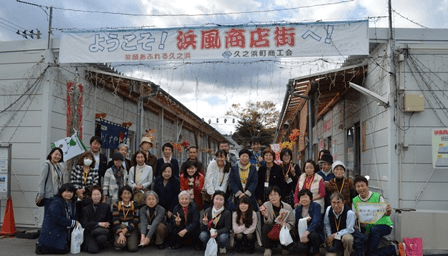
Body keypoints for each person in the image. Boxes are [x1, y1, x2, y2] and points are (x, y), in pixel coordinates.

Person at [352, 176, 397, 256]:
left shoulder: (377, 196)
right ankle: (391, 249)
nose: (361, 188)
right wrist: (357, 216)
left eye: (362, 185)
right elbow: (355, 218)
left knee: (374, 230)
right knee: (369, 253)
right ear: (355, 188)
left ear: (367, 186)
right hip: (369, 228)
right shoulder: (355, 200)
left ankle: (392, 249)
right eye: (358, 186)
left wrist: (389, 211)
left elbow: (387, 213)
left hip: (384, 226)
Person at [36, 183, 78, 254]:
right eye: (66, 192)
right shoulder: (56, 202)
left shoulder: (71, 202)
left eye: (71, 192)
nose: (69, 194)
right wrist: (73, 222)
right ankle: (42, 246)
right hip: (53, 230)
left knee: (68, 248)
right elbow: (57, 219)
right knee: (64, 250)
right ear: (61, 192)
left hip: (62, 230)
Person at [260, 186, 295, 256]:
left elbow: (292, 222)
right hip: (272, 227)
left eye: (275, 195)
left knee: (290, 232)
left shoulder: (288, 207)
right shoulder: (266, 205)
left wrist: (285, 225)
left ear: (280, 196)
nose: (273, 197)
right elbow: (267, 222)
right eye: (271, 195)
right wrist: (266, 216)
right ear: (268, 197)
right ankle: (267, 248)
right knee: (265, 227)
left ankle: (285, 248)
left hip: (283, 228)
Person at [81, 185, 112, 254]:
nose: (96, 196)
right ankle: (91, 244)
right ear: (91, 196)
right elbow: (85, 224)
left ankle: (98, 244)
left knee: (102, 238)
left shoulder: (106, 207)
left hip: (101, 231)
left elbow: (109, 221)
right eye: (94, 194)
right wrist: (99, 224)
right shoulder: (85, 209)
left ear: (101, 195)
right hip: (90, 232)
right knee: (93, 250)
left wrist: (107, 224)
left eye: (98, 194)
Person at [324, 192, 356, 256]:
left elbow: (350, 229)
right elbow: (326, 224)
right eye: (333, 202)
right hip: (333, 233)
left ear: (343, 202)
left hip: (345, 234)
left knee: (348, 239)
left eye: (338, 202)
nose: (336, 205)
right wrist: (329, 235)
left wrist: (334, 235)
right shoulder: (328, 209)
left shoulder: (350, 213)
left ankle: (347, 253)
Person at [37, 147, 66, 217]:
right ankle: (45, 228)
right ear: (51, 154)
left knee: (55, 216)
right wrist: (41, 195)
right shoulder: (46, 165)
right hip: (49, 197)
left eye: (59, 155)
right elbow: (42, 181)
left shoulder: (58, 166)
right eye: (56, 154)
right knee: (48, 216)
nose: (57, 156)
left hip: (57, 196)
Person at [294, 189, 323, 256]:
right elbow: (297, 223)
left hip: (314, 232)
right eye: (302, 197)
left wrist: (307, 232)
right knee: (300, 247)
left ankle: (316, 252)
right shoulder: (298, 209)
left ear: (310, 198)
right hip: (302, 233)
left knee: (313, 235)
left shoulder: (316, 206)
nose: (304, 199)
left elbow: (316, 221)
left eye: (306, 197)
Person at [71, 151, 100, 218]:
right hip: (77, 196)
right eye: (86, 158)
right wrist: (78, 191)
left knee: (87, 215)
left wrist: (84, 190)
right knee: (77, 215)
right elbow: (73, 181)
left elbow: (95, 184)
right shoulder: (76, 168)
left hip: (88, 196)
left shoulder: (94, 170)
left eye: (90, 158)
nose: (88, 160)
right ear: (82, 158)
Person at [112, 185, 140, 252]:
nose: (127, 196)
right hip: (120, 227)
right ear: (121, 195)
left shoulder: (135, 204)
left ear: (131, 195)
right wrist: (121, 233)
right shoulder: (116, 204)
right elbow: (115, 220)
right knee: (120, 244)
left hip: (131, 228)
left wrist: (127, 229)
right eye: (124, 193)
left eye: (128, 193)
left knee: (133, 248)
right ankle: (121, 239)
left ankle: (129, 239)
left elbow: (136, 219)